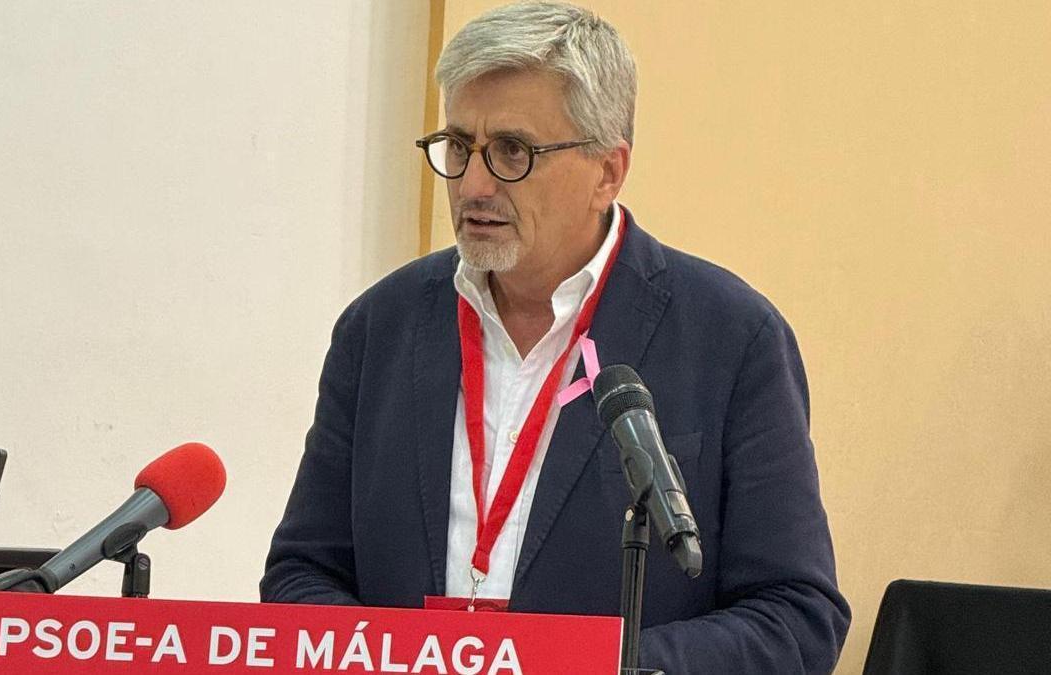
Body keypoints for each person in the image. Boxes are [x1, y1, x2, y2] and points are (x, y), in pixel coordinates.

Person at [261, 2, 850, 672]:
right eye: (459, 147)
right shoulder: (379, 329)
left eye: (513, 151)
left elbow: (796, 616)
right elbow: (301, 574)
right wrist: (394, 661)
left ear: (608, 171)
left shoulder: (732, 338)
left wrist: (600, 665)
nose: (474, 184)